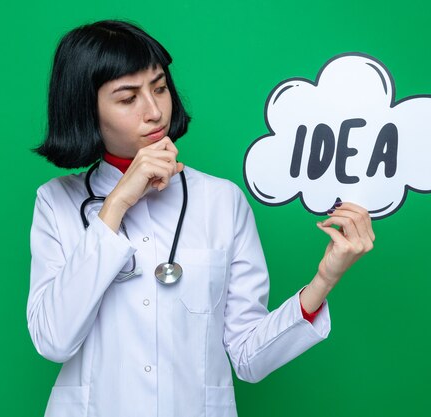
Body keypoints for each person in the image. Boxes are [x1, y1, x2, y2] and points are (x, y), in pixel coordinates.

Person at [27, 20, 375, 417]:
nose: (154, 111)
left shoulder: (221, 201)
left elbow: (249, 357)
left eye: (159, 88)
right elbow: (53, 340)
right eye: (128, 99)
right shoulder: (56, 202)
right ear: (86, 109)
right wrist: (118, 202)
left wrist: (324, 280)